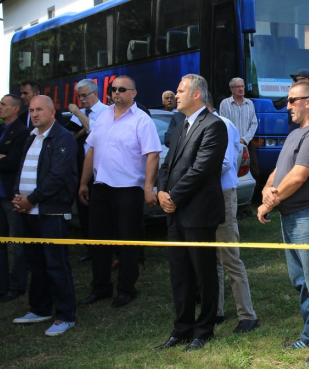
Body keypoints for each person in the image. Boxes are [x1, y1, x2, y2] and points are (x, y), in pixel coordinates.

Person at [257, 80, 309, 365]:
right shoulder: (296, 133)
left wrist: (270, 201)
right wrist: (268, 190)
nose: (288, 105)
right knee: (301, 281)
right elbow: (279, 171)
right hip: (291, 214)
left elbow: (299, 175)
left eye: (293, 100)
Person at [154, 74, 227, 352]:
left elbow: (201, 169)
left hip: (198, 213)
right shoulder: (181, 125)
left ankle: (204, 329)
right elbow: (167, 164)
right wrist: (161, 191)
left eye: (181, 90)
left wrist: (173, 196)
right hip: (175, 213)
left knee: (203, 274)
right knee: (180, 273)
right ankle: (181, 329)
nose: (176, 94)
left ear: (197, 94)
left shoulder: (213, 125)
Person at [78, 76, 161, 309]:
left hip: (128, 190)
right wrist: (84, 182)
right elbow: (92, 150)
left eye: (122, 89)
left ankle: (126, 289)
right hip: (101, 187)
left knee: (128, 242)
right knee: (98, 241)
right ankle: (101, 287)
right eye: (113, 89)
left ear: (133, 93)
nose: (116, 93)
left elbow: (153, 155)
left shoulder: (142, 120)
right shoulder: (103, 116)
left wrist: (148, 188)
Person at [12, 95, 78, 337]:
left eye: (39, 109)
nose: (34, 114)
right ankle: (39, 309)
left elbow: (57, 178)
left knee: (56, 264)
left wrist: (31, 199)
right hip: (28, 212)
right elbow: (23, 169)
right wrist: (17, 197)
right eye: (31, 111)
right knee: (36, 263)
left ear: (52, 112)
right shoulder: (32, 137)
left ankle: (65, 315)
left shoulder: (64, 138)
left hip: (51, 212)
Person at [206, 93, 259, 333]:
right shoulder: (201, 124)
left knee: (229, 256)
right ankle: (215, 310)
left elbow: (226, 163)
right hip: (206, 196)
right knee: (213, 258)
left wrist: (193, 173)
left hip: (223, 194)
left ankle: (247, 315)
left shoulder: (222, 125)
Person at [67, 79, 108, 263]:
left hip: (99, 170)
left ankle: (104, 249)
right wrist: (82, 129)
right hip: (80, 167)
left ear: (95, 93)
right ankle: (90, 248)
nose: (81, 100)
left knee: (99, 213)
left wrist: (77, 112)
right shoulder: (81, 114)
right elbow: (71, 136)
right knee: (83, 212)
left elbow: (95, 130)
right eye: (79, 96)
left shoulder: (106, 111)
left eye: (84, 95)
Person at [0, 94, 30, 303]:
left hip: (11, 195)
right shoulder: (0, 130)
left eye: (3, 104)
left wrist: (4, 157)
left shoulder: (21, 132)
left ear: (15, 109)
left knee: (18, 241)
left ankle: (17, 285)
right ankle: (1, 285)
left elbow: (11, 163)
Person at [219, 78, 259, 187]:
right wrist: (236, 140)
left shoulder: (249, 103)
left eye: (242, 86)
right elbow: (224, 124)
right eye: (237, 87)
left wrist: (245, 139)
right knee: (233, 169)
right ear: (232, 89)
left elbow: (254, 123)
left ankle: (251, 197)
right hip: (231, 143)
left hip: (247, 142)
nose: (241, 89)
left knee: (254, 170)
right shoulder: (225, 104)